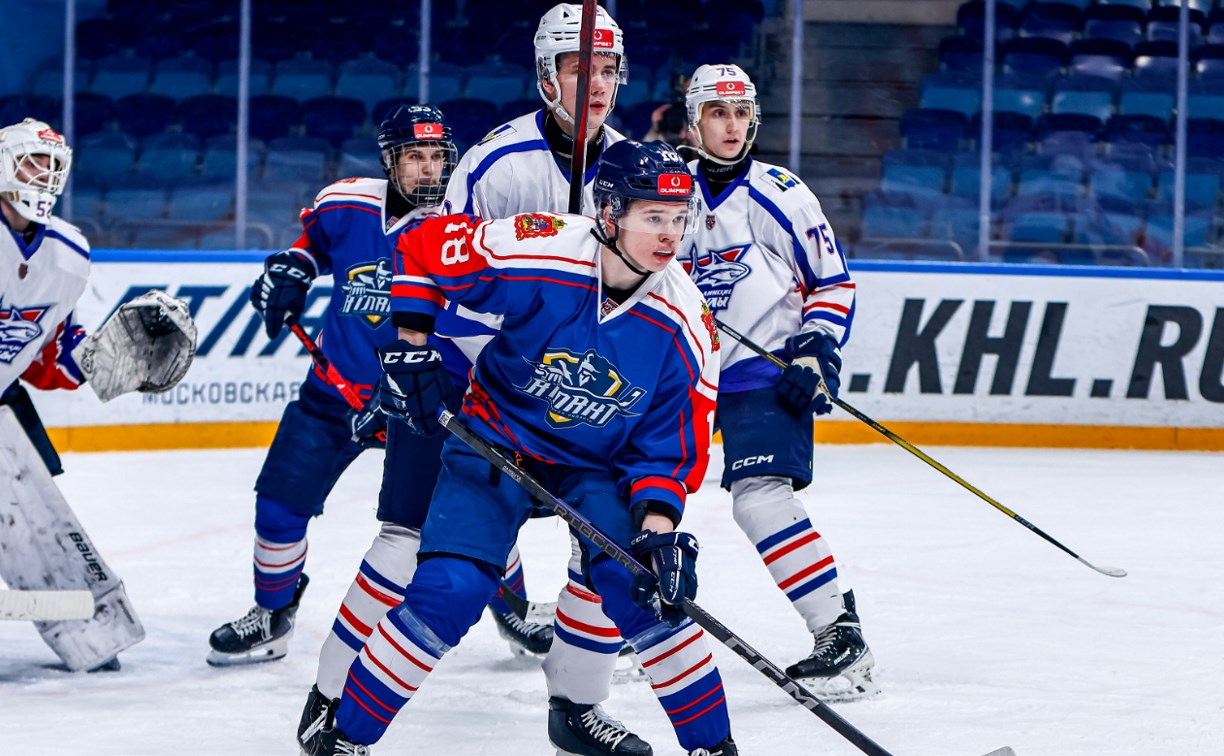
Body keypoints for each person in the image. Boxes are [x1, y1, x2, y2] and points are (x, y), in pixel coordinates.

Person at [301, 138, 736, 756]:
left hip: (597, 465)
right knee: (449, 589)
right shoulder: (541, 246)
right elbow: (421, 249)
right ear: (609, 213)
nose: (671, 236)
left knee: (644, 590)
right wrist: (410, 344)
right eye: (653, 217)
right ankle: (344, 739)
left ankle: (710, 748)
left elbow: (666, 452)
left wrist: (660, 533)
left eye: (679, 219)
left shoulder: (687, 322)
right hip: (496, 440)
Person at [206, 106, 545, 670]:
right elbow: (312, 243)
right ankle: (272, 614)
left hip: (423, 399)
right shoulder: (346, 203)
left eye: (439, 157)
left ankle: (512, 608)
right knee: (280, 504)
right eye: (416, 157)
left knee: (469, 511)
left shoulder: (461, 227)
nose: (429, 171)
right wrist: (291, 266)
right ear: (389, 160)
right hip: (336, 393)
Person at [437, 5, 656, 754]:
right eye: (577, 68)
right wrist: (492, 367)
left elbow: (650, 291)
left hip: (586, 395)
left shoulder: (632, 164)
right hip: (497, 392)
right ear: (545, 73)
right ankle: (344, 700)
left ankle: (576, 702)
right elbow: (444, 275)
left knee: (601, 542)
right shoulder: (497, 163)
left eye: (606, 70)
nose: (595, 84)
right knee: (431, 538)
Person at [679, 64, 878, 701]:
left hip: (764, 367)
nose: (731, 126)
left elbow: (832, 281)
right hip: (680, 369)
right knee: (626, 490)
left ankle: (840, 636)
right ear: (695, 120)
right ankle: (611, 628)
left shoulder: (782, 192)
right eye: (717, 113)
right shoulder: (666, 191)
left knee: (760, 498)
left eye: (740, 113)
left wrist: (817, 350)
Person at [1, 118, 193, 672]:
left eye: (52, 167)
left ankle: (87, 627)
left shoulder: (67, 254)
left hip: (4, 400)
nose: (43, 176)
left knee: (39, 527)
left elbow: (48, 354)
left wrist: (110, 356)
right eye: (32, 162)